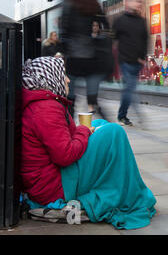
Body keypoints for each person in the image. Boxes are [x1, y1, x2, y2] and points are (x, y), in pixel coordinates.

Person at [21, 56, 157, 229]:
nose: (68, 79)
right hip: (54, 188)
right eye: (63, 75)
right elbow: (65, 155)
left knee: (99, 124)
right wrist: (83, 131)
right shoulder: (46, 108)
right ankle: (127, 193)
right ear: (50, 77)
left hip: (49, 179)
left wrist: (82, 131)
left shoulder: (42, 104)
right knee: (114, 133)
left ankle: (116, 184)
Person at [59, 0, 108, 118]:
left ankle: (69, 128)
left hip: (73, 57)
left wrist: (63, 52)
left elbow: (64, 32)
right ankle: (106, 125)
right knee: (93, 98)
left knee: (70, 98)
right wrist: (99, 40)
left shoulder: (67, 2)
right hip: (90, 56)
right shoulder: (91, 0)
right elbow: (105, 25)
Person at [112, 0, 148, 126]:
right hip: (125, 61)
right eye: (135, 1)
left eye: (139, 1)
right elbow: (113, 39)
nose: (138, 3)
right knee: (130, 88)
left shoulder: (142, 21)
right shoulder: (119, 20)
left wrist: (143, 57)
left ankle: (122, 116)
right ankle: (139, 115)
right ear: (127, 3)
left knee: (129, 89)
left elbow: (145, 40)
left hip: (137, 62)